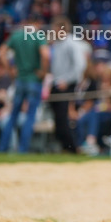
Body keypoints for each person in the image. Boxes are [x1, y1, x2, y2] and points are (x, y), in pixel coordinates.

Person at [0, 17, 50, 152]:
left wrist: (9, 70)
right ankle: (23, 149)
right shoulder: (38, 35)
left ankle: (3, 147)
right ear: (37, 23)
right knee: (30, 116)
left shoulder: (16, 35)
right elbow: (45, 55)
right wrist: (43, 73)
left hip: (20, 79)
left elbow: (2, 51)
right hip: (34, 80)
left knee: (13, 115)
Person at [48, 17, 90, 154]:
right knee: (57, 118)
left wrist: (67, 80)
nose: (52, 31)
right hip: (56, 83)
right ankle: (65, 146)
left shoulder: (72, 43)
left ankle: (72, 147)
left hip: (66, 84)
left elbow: (80, 65)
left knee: (62, 117)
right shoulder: (57, 43)